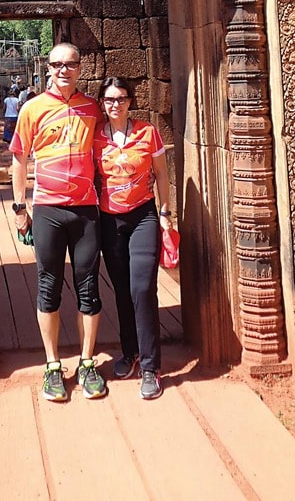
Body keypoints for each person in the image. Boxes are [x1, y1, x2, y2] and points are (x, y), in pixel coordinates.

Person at [10, 43, 107, 402]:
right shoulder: (33, 108)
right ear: (47, 68)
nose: (64, 70)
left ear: (80, 68)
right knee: (48, 285)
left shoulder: (92, 109)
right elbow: (19, 159)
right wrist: (21, 207)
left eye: (70, 64)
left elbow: (106, 153)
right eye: (57, 64)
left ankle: (86, 361)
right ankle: (52, 364)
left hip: (85, 209)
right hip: (48, 208)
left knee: (88, 286)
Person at [94, 76, 174, 400]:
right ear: (102, 102)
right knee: (123, 290)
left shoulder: (147, 132)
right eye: (110, 99)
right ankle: (131, 353)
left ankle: (152, 366)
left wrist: (166, 214)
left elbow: (163, 174)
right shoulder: (94, 138)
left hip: (143, 214)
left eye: (122, 98)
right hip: (109, 219)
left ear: (131, 101)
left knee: (142, 287)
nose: (116, 104)